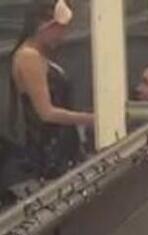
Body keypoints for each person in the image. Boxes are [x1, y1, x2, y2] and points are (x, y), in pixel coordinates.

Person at [7, 0, 93, 183]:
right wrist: (90, 119)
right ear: (45, 26)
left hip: (58, 147)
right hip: (49, 153)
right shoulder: (28, 58)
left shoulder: (38, 56)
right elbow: (46, 113)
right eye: (60, 29)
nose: (63, 36)